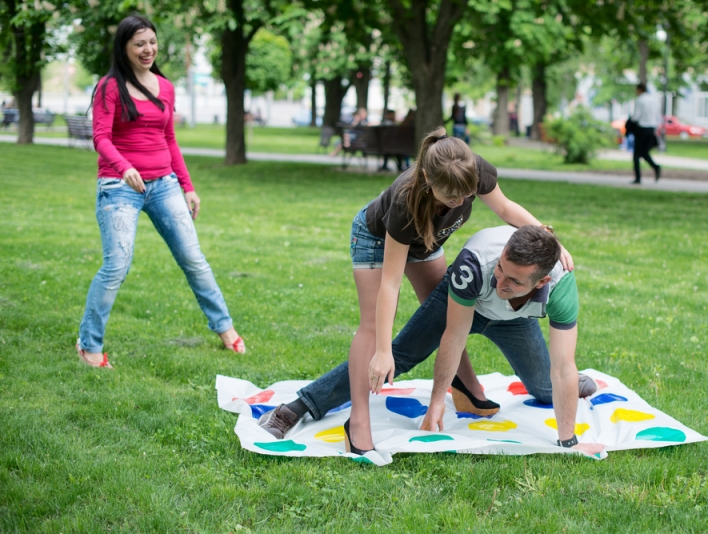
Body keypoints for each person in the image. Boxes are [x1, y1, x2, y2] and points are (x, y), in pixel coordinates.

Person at [260, 126, 575, 454]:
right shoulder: (405, 203)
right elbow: (390, 284)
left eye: (466, 195)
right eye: (450, 197)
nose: (460, 202)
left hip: (427, 243)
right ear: (427, 179)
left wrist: (548, 238)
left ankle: (465, 388)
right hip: (377, 239)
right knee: (380, 338)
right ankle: (331, 414)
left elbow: (507, 209)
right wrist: (383, 352)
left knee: (445, 320)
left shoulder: (472, 169)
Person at [260, 225, 602, 456]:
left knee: (547, 385)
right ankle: (296, 408)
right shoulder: (476, 265)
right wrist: (437, 399)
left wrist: (568, 442)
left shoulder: (561, 286)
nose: (501, 282)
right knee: (399, 355)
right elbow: (453, 337)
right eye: (501, 268)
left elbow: (562, 365)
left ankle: (576, 386)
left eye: (514, 280)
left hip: (515, 320)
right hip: (465, 304)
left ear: (541, 282)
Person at [75, 15, 245, 368]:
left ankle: (226, 329)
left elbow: (169, 139)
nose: (147, 49)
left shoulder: (165, 87)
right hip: (119, 186)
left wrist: (188, 185)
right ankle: (89, 344)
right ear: (124, 48)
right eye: (139, 43)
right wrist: (126, 168)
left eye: (151, 42)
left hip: (164, 183)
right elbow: (101, 138)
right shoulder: (110, 87)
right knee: (116, 265)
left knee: (194, 259)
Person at [630, 83, 661, 184]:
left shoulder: (639, 100)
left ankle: (638, 178)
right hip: (651, 128)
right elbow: (658, 116)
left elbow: (636, 116)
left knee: (636, 155)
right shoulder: (653, 100)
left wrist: (630, 120)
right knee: (644, 152)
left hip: (641, 128)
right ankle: (655, 167)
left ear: (639, 89)